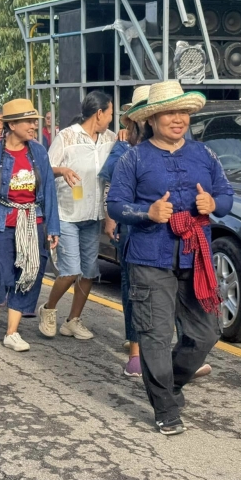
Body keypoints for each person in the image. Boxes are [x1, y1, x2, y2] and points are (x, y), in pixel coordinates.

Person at [106, 80, 233, 435]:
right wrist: (147, 212)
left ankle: (171, 382)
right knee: (155, 335)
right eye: (169, 113)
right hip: (149, 257)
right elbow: (115, 204)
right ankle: (164, 407)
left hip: (197, 256)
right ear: (152, 119)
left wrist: (214, 203)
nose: (178, 119)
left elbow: (226, 195)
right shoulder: (133, 158)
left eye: (183, 113)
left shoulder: (204, 154)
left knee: (206, 333)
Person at [0, 98, 60, 352]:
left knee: (28, 276)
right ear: (11, 125)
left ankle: (12, 332)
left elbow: (49, 191)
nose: (34, 125)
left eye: (34, 121)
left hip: (33, 222)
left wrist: (53, 227)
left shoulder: (39, 152)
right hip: (1, 222)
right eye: (28, 121)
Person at [38, 91, 116, 340]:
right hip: (67, 214)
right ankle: (48, 309)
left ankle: (73, 320)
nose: (112, 119)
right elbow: (44, 169)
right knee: (71, 270)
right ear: (99, 113)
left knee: (89, 271)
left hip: (92, 215)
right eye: (110, 113)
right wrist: (62, 170)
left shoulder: (111, 139)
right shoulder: (67, 137)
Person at [100, 86, 150, 376]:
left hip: (165, 224)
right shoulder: (123, 146)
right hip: (130, 223)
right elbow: (111, 183)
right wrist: (110, 218)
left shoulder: (176, 143)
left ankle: (181, 353)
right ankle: (135, 349)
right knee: (133, 286)